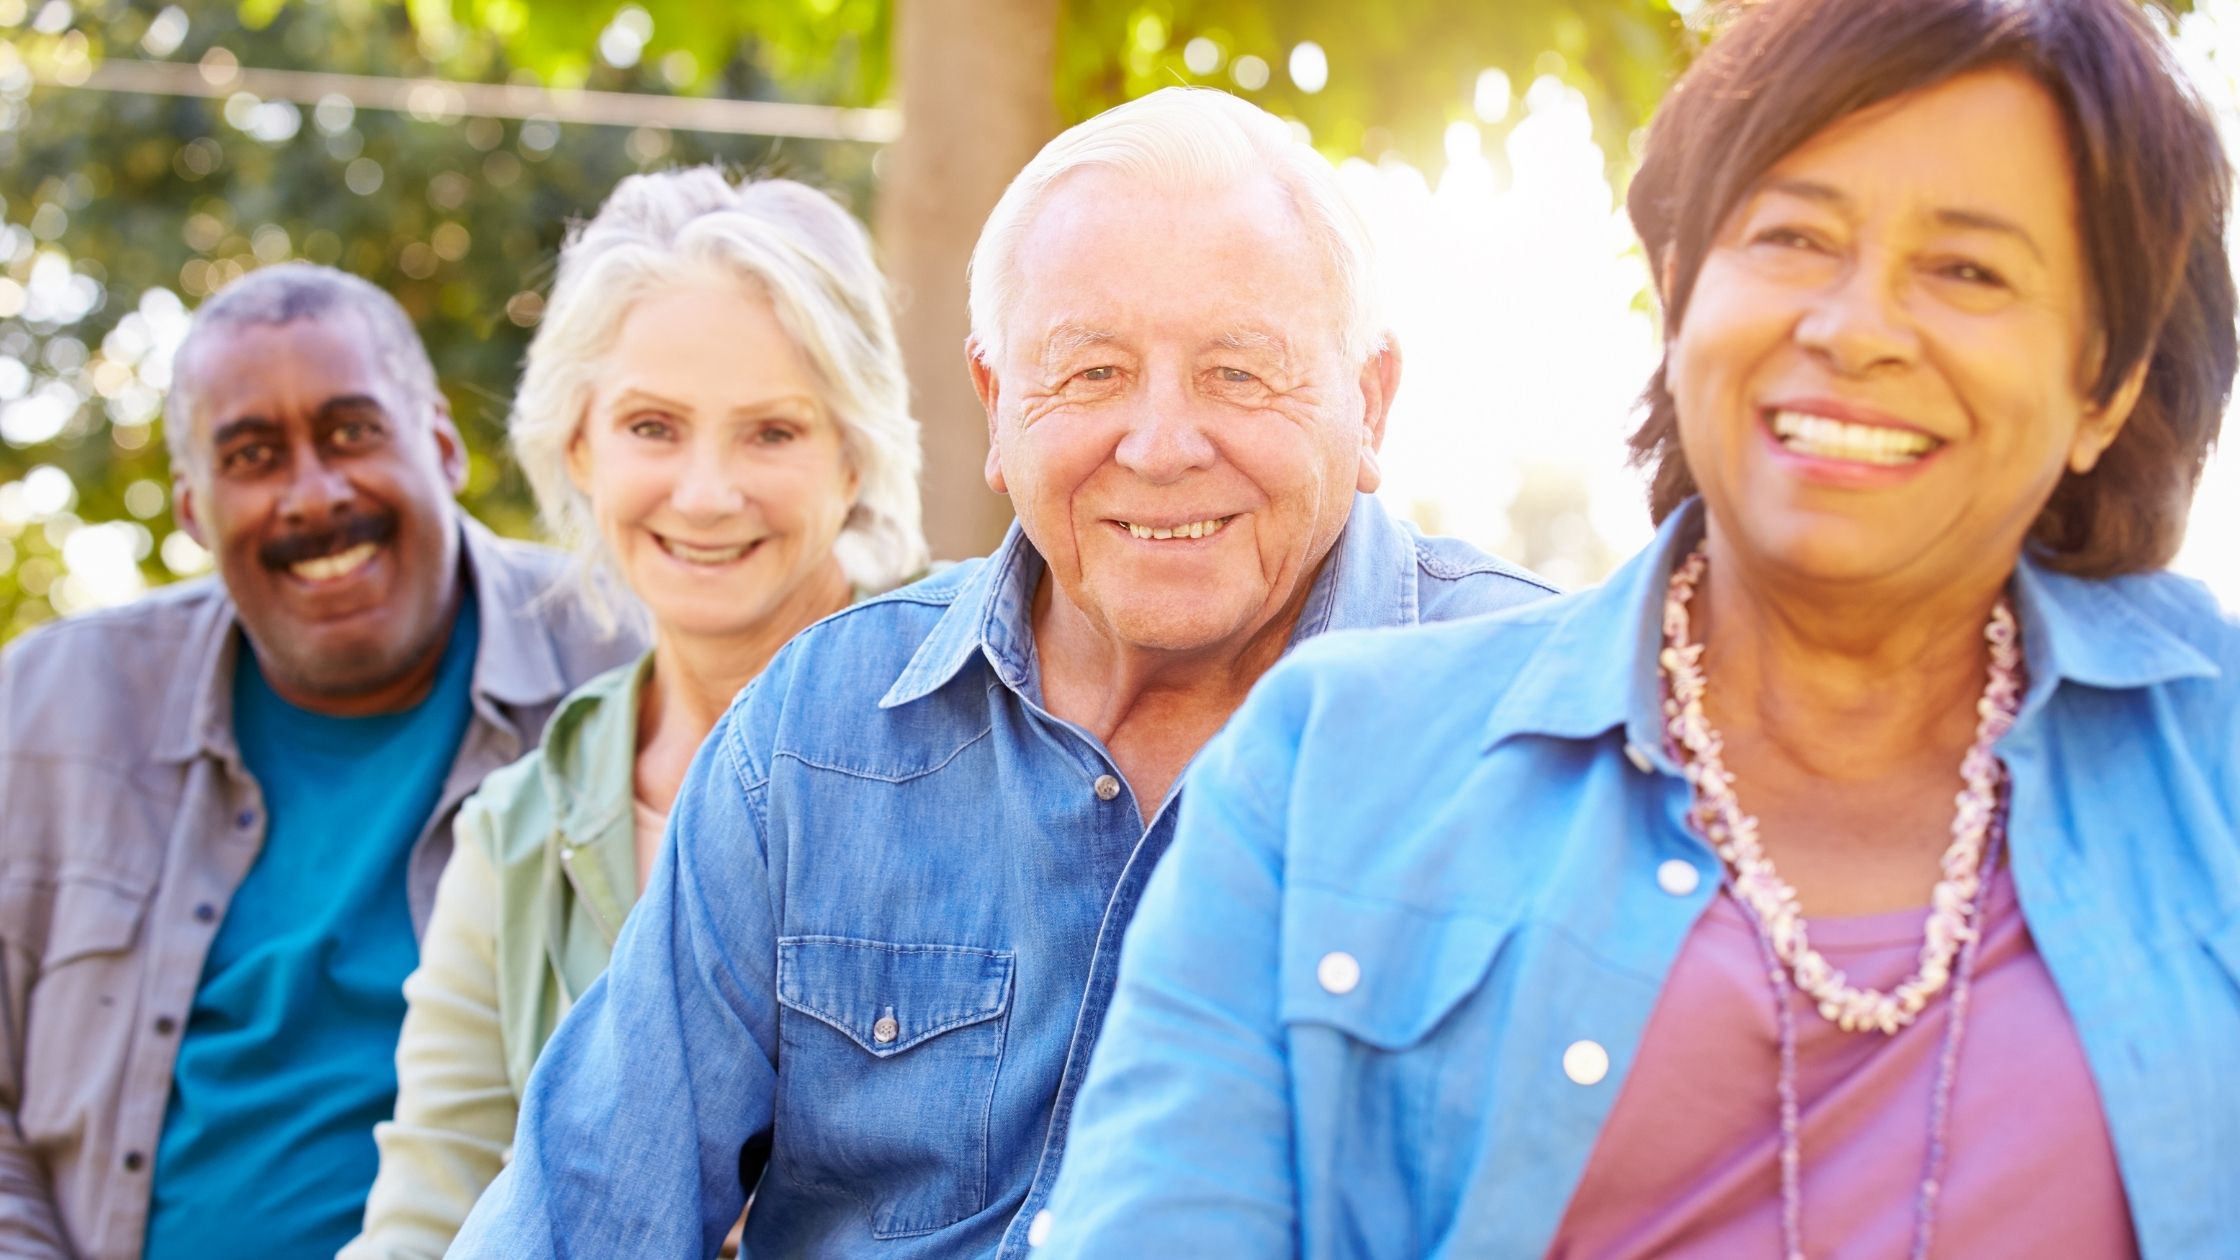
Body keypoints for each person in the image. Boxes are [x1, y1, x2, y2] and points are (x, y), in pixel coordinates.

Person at [1033, 1, 2240, 1257]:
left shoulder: (2215, 761)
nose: (1854, 327)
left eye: (1967, 270)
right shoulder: (1326, 767)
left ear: (2101, 385)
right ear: (1677, 293)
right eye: (1792, 236)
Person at [448, 86, 1554, 1259]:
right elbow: (583, 1207)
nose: (1162, 444)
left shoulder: (1538, 727)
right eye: (1089, 374)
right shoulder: (819, 731)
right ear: (992, 403)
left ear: (1368, 400)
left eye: (1239, 372)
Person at [0, 263, 640, 1260]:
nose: (314, 493)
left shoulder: (628, 667)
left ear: (441, 444)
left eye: (352, 433)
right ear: (192, 512)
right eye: (253, 456)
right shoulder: (50, 713)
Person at [342, 168, 925, 1259]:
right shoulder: (515, 837)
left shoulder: (996, 745)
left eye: (771, 433)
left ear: (854, 455)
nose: (705, 493)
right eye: (652, 426)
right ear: (577, 448)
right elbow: (427, 1221)